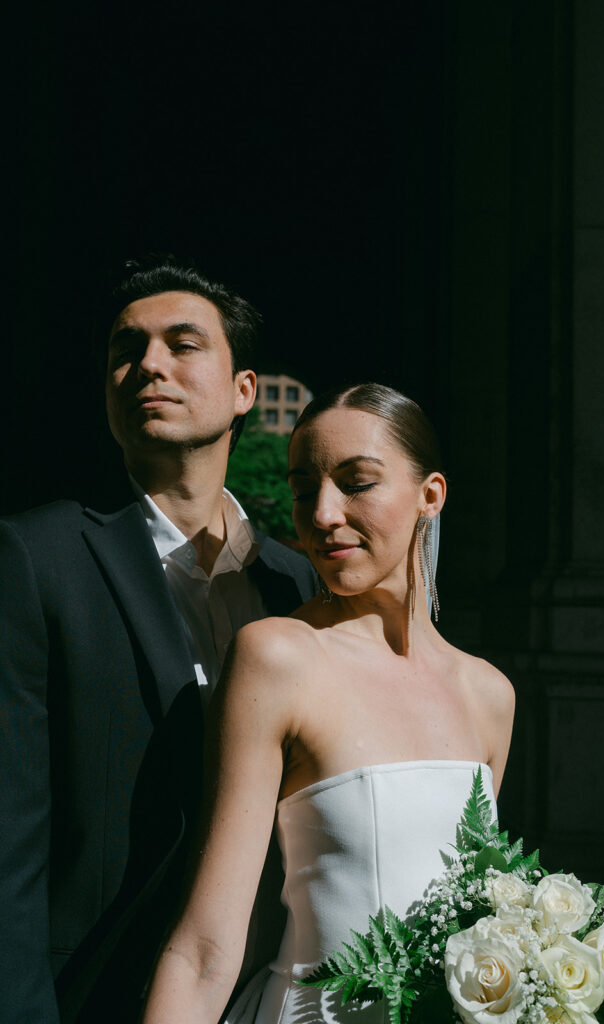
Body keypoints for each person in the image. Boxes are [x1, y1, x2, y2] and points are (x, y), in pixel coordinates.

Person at [0, 258, 316, 1023]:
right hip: (92, 992)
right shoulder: (35, 559)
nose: (147, 365)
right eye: (125, 348)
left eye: (182, 344)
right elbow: (9, 835)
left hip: (271, 992)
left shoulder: (298, 586)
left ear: (246, 391)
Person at [142, 382, 515, 1024]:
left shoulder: (488, 694)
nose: (321, 514)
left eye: (356, 482)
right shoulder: (279, 657)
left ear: (431, 495)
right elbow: (207, 946)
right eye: (302, 487)